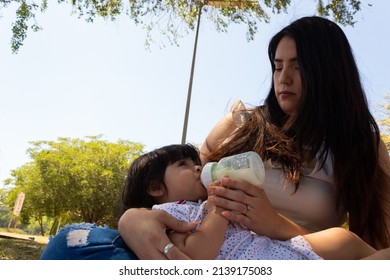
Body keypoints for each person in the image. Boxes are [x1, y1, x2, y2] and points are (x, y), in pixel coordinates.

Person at [41, 16, 390, 260]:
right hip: (205, 250)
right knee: (68, 244)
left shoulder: (363, 149)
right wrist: (134, 218)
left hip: (289, 260)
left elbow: (374, 254)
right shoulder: (244, 124)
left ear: (330, 70)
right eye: (277, 65)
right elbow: (188, 187)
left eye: (298, 65)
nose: (283, 77)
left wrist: (277, 225)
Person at [119, 143, 389, 260]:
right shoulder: (167, 214)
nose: (198, 169)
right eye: (183, 165)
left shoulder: (202, 203)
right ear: (155, 188)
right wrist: (216, 210)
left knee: (346, 240)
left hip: (278, 248)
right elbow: (194, 255)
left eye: (196, 163)